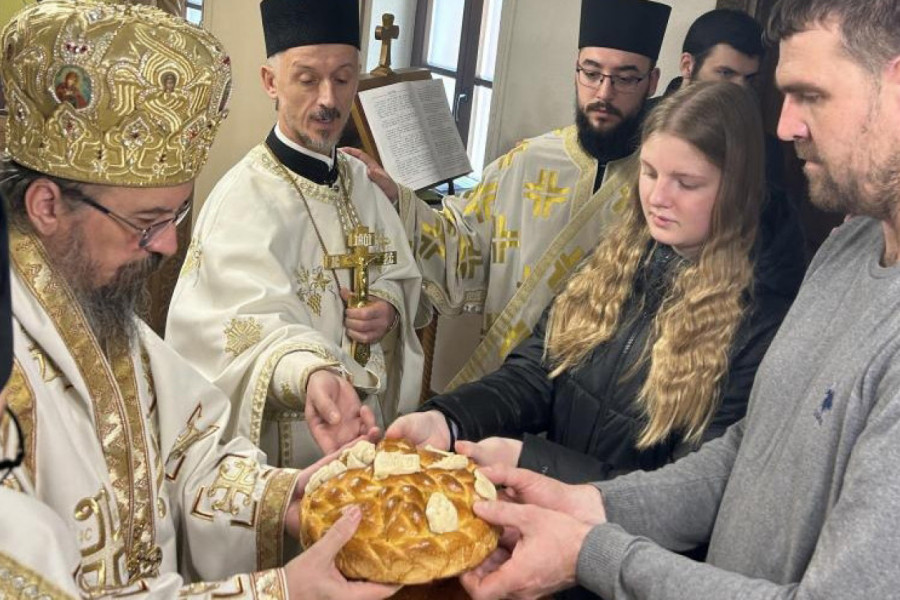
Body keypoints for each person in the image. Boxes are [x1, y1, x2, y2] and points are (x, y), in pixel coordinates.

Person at [455, 1, 900, 598]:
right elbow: (741, 455)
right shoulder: (849, 246)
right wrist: (588, 501)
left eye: (811, 95)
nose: (784, 126)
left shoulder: (777, 295)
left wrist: (593, 552)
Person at [0, 2, 397, 598]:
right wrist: (277, 591)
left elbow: (187, 460)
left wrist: (287, 498)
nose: (168, 245)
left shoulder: (98, 307)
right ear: (48, 207)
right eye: (147, 221)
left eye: (177, 214)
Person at [388, 82, 789, 488]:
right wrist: (447, 419)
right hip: (552, 515)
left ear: (736, 187)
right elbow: (537, 373)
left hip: (622, 544)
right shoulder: (615, 258)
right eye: (649, 173)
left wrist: (534, 461)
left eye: (685, 183)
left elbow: (686, 495)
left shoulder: (758, 327)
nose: (658, 198)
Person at [346, 0, 671, 388]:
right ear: (576, 71)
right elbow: (461, 243)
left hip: (600, 393)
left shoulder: (661, 182)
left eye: (625, 77)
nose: (604, 92)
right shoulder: (527, 162)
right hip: (508, 383)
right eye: (592, 72)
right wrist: (399, 200)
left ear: (652, 82)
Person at [165, 0, 426, 468]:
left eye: (344, 79)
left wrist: (388, 307)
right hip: (286, 456)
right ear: (271, 82)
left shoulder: (360, 182)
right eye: (307, 80)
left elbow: (401, 273)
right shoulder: (242, 200)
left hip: (368, 429)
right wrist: (307, 373)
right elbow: (217, 339)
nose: (328, 99)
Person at [668, 8, 808, 303]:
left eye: (749, 79)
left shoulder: (763, 152)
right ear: (687, 65)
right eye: (725, 74)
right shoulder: (643, 126)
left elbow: (777, 258)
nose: (739, 91)